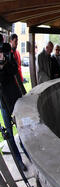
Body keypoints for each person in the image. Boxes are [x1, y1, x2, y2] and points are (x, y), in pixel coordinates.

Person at [0, 34, 26, 171]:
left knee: (21, 126)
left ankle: (27, 151)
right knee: (9, 133)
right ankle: (19, 160)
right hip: (3, 102)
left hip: (14, 98)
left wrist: (4, 64)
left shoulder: (7, 51)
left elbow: (15, 70)